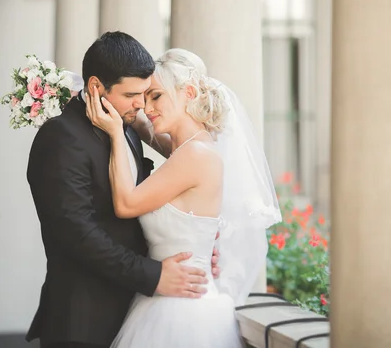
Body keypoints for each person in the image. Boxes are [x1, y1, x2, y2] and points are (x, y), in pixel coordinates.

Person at [25, 33, 219, 348]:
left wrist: (193, 241)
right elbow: (77, 232)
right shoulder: (60, 138)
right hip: (84, 322)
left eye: (146, 94)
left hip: (138, 312)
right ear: (95, 88)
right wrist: (154, 275)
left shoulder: (126, 127)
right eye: (131, 94)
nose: (141, 105)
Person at [86, 48, 282, 347]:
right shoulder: (188, 148)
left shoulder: (195, 156)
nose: (145, 108)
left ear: (188, 92)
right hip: (164, 298)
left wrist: (115, 133)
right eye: (143, 98)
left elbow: (126, 204)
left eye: (156, 96)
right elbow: (153, 133)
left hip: (183, 311)